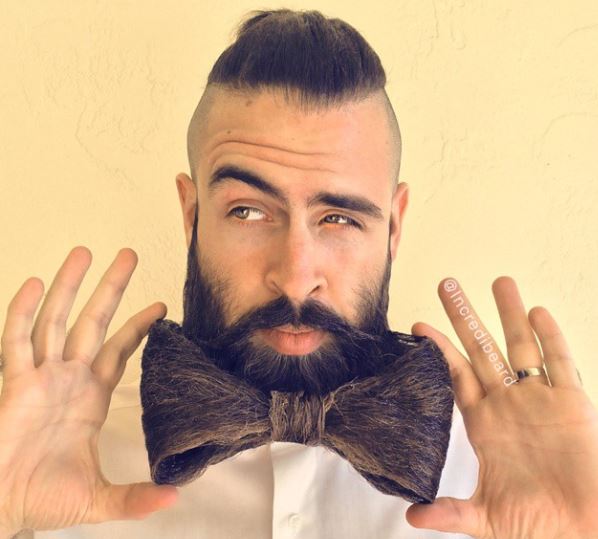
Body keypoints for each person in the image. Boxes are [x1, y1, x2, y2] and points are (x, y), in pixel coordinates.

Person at [1, 8, 597, 539]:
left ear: (393, 227)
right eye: (248, 211)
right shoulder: (49, 461)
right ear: (191, 215)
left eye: (339, 218)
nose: (294, 277)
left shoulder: (502, 477)